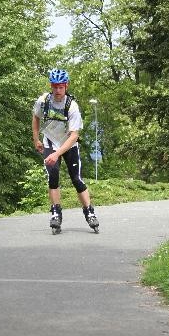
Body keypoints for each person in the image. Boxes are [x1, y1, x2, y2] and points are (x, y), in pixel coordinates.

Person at [32, 68, 99, 232]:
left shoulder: (72, 106)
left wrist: (57, 153)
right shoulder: (43, 100)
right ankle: (56, 213)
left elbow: (74, 135)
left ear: (66, 86)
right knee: (52, 176)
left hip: (68, 144)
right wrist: (36, 139)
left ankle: (89, 212)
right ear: (51, 85)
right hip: (50, 142)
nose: (57, 91)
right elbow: (35, 116)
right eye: (55, 87)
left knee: (76, 179)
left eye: (61, 87)